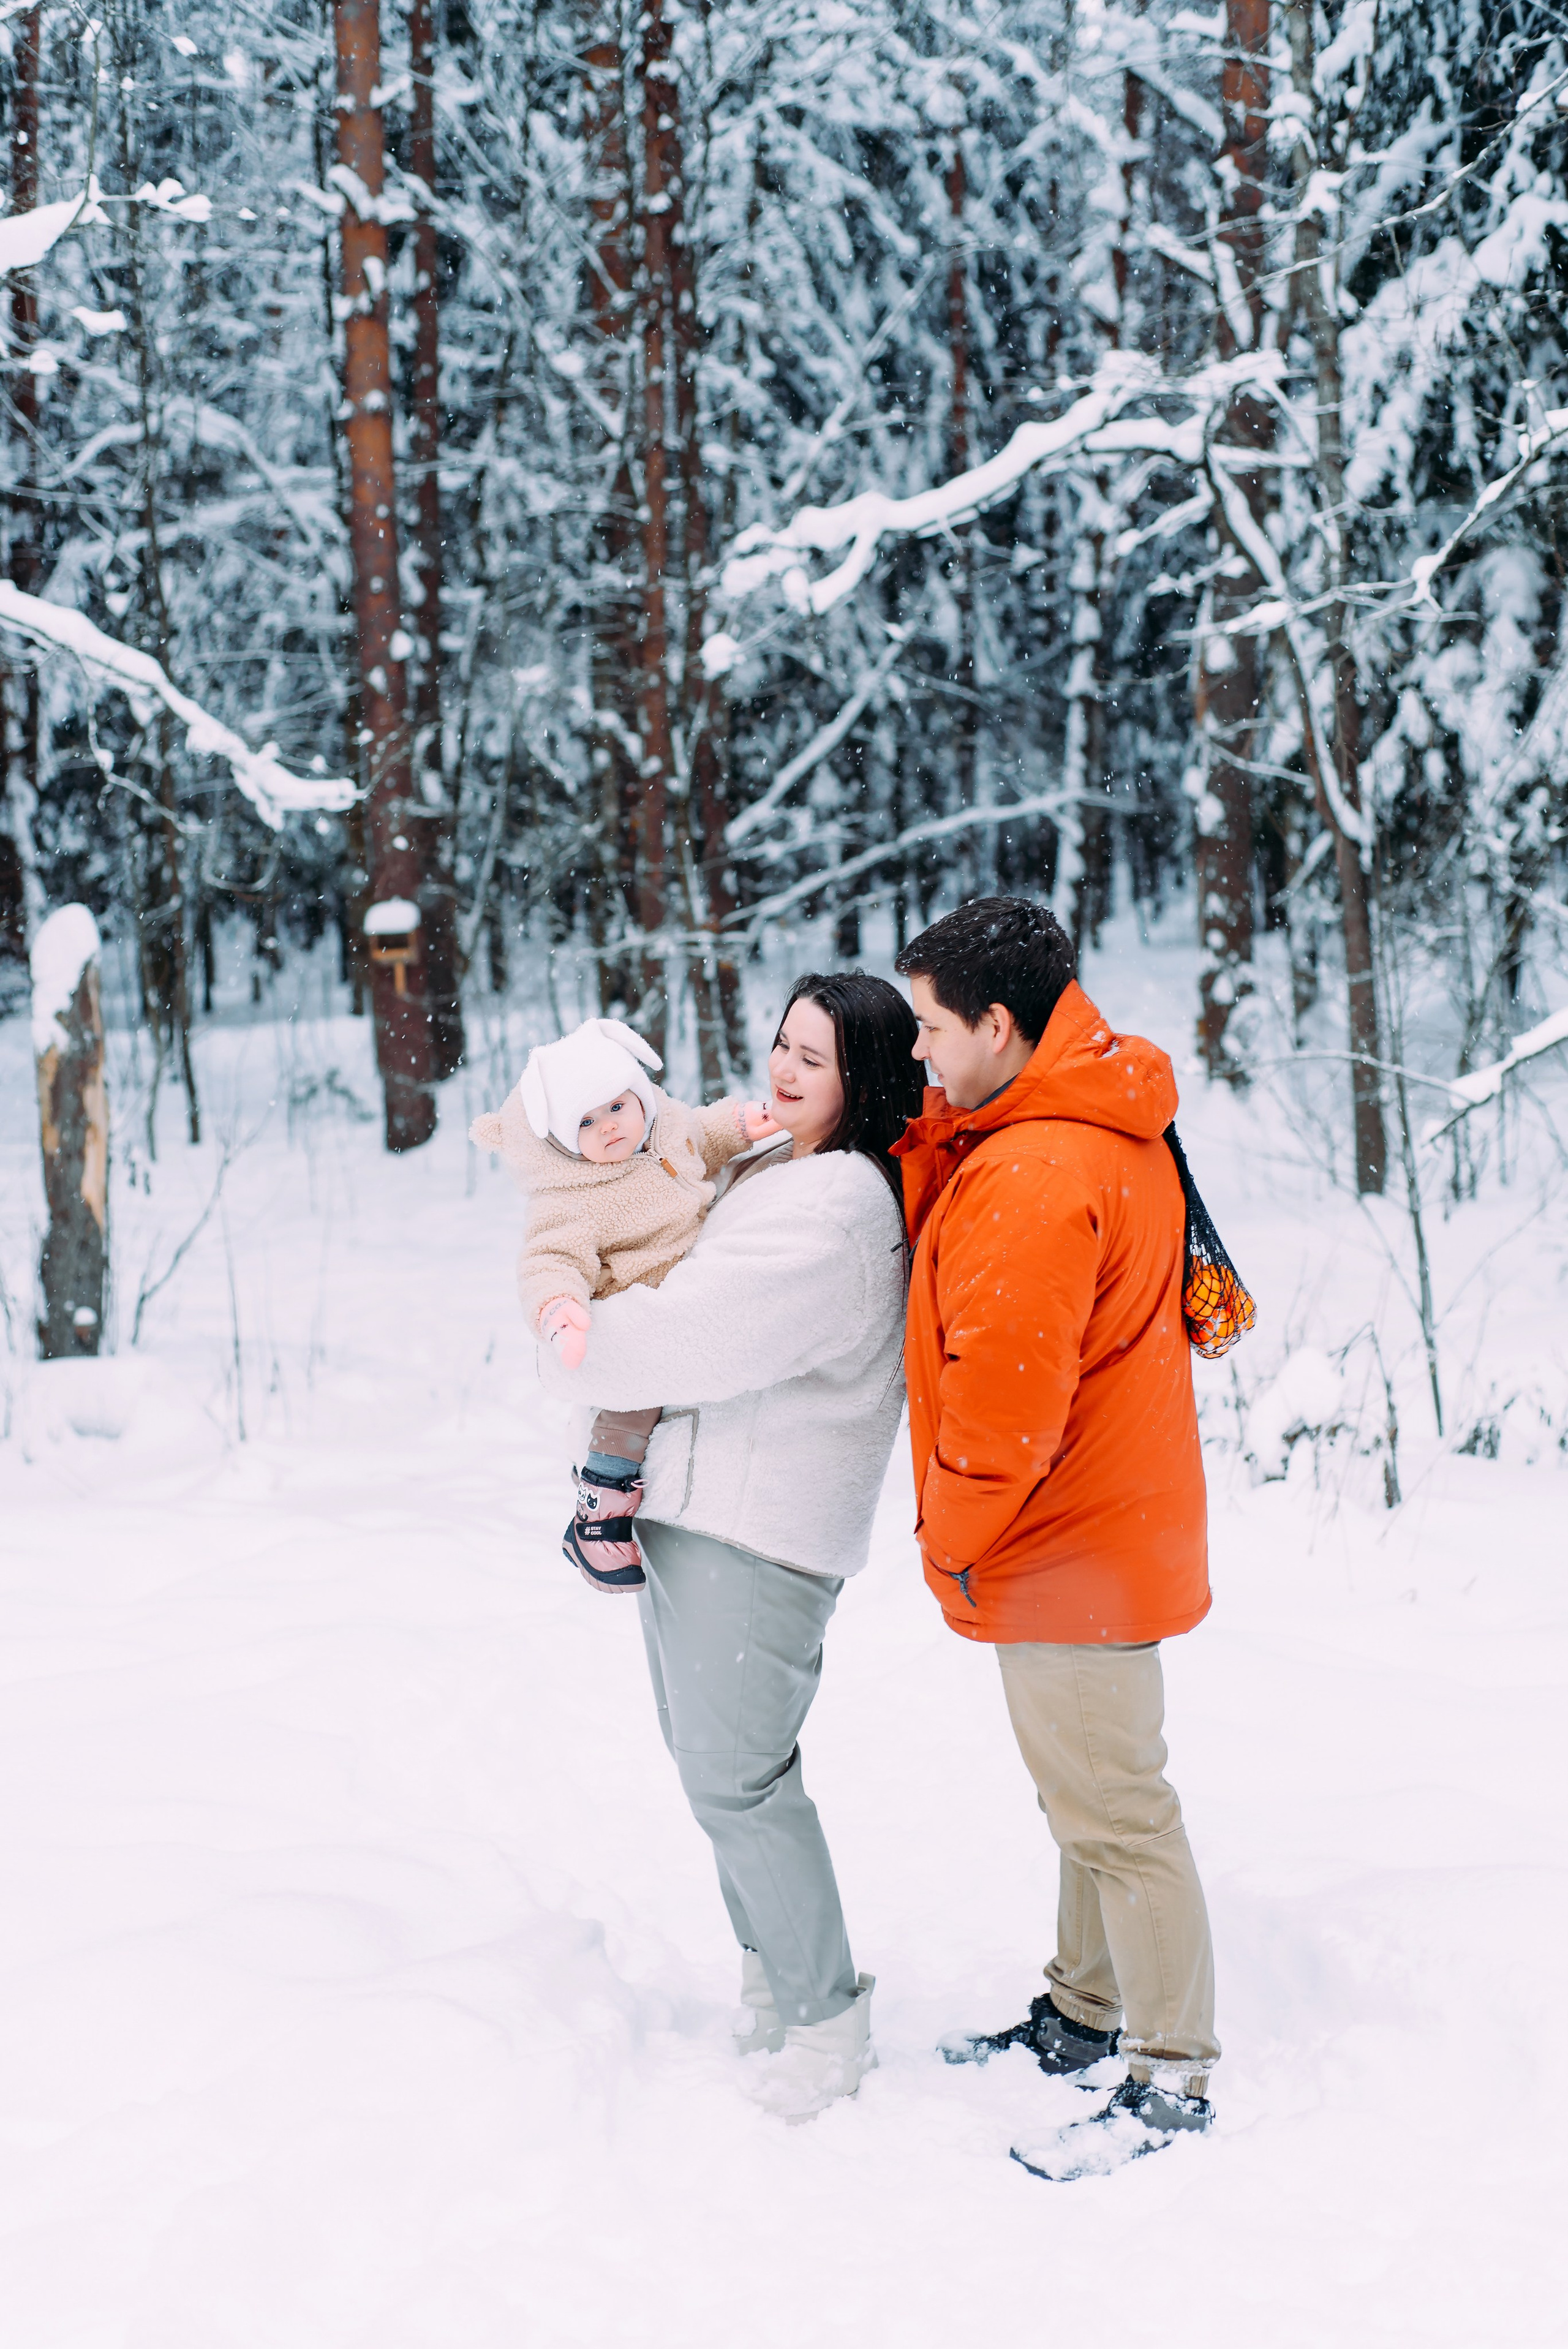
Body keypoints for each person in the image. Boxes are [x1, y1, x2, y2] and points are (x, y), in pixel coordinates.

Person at [535, 973, 925, 2121]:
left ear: (868, 1077)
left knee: (740, 1780)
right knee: (716, 1775)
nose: (785, 1070)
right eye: (781, 1044)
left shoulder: (843, 1203)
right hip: (702, 1512)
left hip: (762, 1526)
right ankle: (774, 1984)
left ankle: (823, 2020)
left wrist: (572, 1340)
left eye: (818, 1057)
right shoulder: (777, 1165)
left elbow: (693, 1334)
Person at [891, 896, 1218, 2182]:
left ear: (997, 1023)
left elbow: (999, 1413)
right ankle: (1086, 2011)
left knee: (1118, 1814)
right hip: (1108, 1522)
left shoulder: (1034, 1170)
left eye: (928, 1027)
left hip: (1062, 1536)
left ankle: (1170, 2073)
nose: (917, 1053)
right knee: (1085, 1796)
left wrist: (950, 1543)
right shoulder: (1080, 1115)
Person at [469, 1017, 777, 1592]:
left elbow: (703, 1138)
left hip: (690, 1287)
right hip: (636, 1312)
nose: (609, 1128)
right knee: (633, 1406)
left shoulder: (665, 1130)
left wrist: (740, 1123)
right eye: (585, 1121)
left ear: (639, 1096)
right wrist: (558, 1308)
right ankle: (598, 1512)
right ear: (561, 1138)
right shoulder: (571, 1198)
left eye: (616, 1107)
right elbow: (548, 1259)